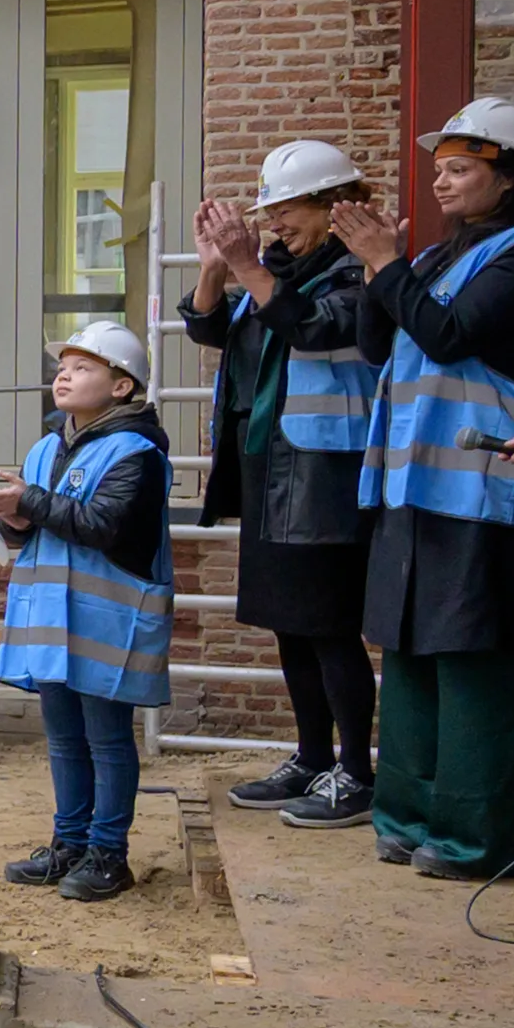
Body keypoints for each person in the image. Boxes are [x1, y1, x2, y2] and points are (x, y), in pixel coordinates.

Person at [335, 99, 514, 884]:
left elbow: (449, 333)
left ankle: (483, 835)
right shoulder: (435, 256)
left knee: (479, 662)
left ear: (511, 177)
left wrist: (387, 263)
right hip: (418, 489)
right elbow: (376, 342)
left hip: (492, 491)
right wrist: (383, 267)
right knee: (411, 656)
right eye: (439, 169)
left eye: (461, 169)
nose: (442, 182)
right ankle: (410, 817)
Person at [185, 139, 381, 826]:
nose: (274, 224)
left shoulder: (359, 271)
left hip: (325, 477)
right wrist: (215, 270)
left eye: (289, 208)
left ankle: (355, 772)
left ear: (336, 206)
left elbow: (313, 329)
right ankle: (311, 757)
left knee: (329, 628)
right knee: (291, 627)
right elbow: (214, 329)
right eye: (270, 211)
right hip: (271, 473)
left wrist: (245, 265)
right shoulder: (275, 271)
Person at [0, 323, 176, 902]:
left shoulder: (137, 453)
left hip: (108, 625)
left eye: (82, 368)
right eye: (62, 368)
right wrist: (14, 520)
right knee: (65, 739)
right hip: (54, 622)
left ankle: (108, 854)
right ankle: (69, 844)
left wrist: (30, 501)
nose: (63, 377)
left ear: (122, 387)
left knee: (108, 739)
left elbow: (104, 526)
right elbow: (35, 533)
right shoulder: (45, 448)